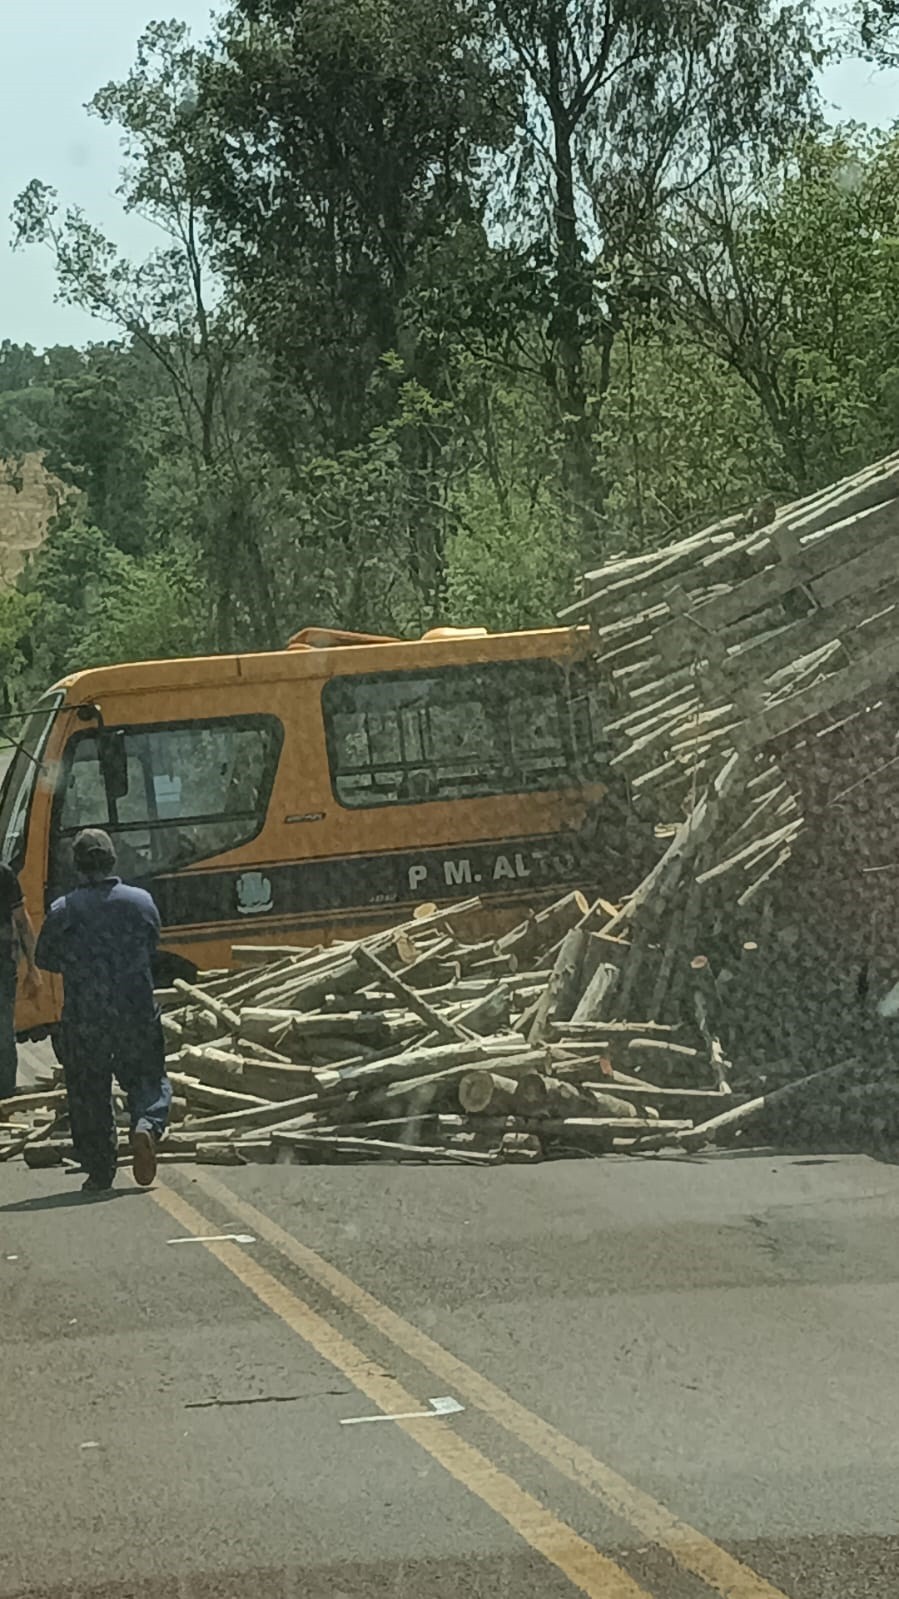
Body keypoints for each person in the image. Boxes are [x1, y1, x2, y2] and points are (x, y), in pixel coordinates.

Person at [35, 828, 171, 1193]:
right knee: (147, 1076)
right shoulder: (141, 902)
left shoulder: (64, 910)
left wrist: (81, 962)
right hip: (135, 1008)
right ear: (113, 861)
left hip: (85, 1015)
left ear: (76, 867)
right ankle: (146, 1124)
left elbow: (43, 956)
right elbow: (153, 943)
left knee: (88, 1091)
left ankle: (99, 1169)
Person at [0, 862, 40, 1098]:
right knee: (3, 1032)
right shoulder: (3, 873)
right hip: (2, 966)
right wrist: (33, 968)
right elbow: (22, 921)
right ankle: (4, 1099)